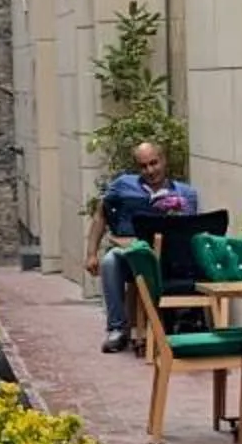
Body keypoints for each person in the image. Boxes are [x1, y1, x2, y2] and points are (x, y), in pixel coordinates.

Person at [87, 142, 203, 353]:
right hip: (133, 255)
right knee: (110, 261)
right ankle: (117, 329)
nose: (150, 171)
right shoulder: (123, 185)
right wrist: (91, 253)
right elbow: (101, 214)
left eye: (154, 163)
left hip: (171, 261)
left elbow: (191, 232)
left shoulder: (185, 193)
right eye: (143, 166)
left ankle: (183, 323)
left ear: (163, 160)